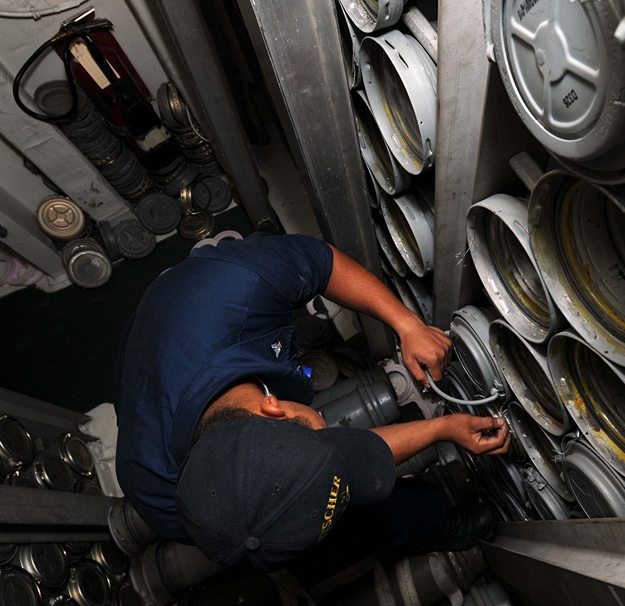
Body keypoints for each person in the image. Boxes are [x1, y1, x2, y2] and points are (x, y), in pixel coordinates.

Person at [114, 232, 510, 571]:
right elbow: (310, 486)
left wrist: (407, 324)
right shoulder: (163, 500)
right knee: (358, 521)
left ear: (273, 407)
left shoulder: (235, 288)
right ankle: (423, 526)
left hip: (181, 322)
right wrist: (442, 428)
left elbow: (321, 264)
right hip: (161, 379)